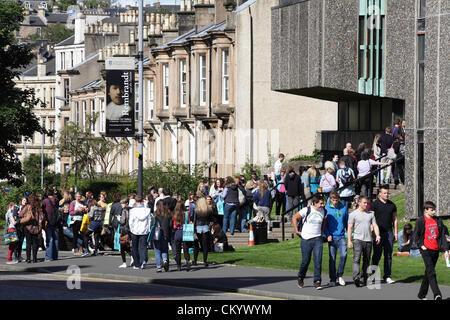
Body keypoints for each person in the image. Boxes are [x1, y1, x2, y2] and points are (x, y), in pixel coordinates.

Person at [414, 201, 449, 300]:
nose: (434, 212)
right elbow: (416, 236)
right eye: (432, 210)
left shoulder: (438, 220)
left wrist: (446, 250)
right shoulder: (420, 220)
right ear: (426, 210)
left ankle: (421, 294)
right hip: (426, 250)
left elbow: (442, 236)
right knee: (431, 272)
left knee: (428, 273)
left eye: (434, 210)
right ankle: (437, 295)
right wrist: (421, 245)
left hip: (435, 250)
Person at [293, 195, 327, 290]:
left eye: (323, 203)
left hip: (317, 239)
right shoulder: (306, 210)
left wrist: (322, 231)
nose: (322, 205)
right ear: (315, 203)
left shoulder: (324, 211)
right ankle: (300, 277)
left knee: (318, 260)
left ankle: (317, 281)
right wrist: (296, 230)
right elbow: (295, 218)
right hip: (306, 239)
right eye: (320, 203)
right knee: (305, 261)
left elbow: (324, 220)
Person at [347, 196, 381, 287]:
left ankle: (364, 277)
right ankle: (356, 277)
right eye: (364, 203)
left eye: (367, 203)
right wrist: (349, 240)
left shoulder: (370, 214)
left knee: (366, 260)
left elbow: (375, 225)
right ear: (359, 203)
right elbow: (350, 228)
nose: (366, 204)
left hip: (368, 240)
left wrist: (377, 236)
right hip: (358, 240)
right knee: (356, 259)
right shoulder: (353, 214)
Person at [370, 185, 398, 284]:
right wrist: (373, 231)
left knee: (388, 255)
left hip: (388, 232)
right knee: (377, 255)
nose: (387, 195)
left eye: (387, 193)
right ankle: (372, 275)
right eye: (385, 193)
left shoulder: (392, 205)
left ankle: (387, 276)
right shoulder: (374, 204)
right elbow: (371, 218)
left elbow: (395, 219)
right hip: (378, 233)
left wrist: (395, 233)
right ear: (380, 194)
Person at [324, 192, 349, 287]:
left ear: (339, 199)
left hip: (342, 236)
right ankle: (332, 279)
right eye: (333, 200)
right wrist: (327, 234)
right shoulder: (326, 209)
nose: (335, 202)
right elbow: (324, 224)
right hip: (332, 237)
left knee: (344, 255)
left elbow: (347, 222)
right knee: (332, 259)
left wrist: (349, 234)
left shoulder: (343, 208)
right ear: (330, 199)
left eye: (336, 200)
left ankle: (340, 275)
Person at [128, 196, 152, 269]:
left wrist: (131, 229)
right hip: (144, 230)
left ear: (135, 202)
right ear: (142, 201)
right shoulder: (147, 210)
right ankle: (143, 260)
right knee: (143, 246)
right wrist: (148, 229)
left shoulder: (132, 211)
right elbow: (149, 221)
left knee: (135, 247)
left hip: (135, 230)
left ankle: (137, 264)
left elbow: (130, 221)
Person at [20, 194, 45, 263]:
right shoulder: (39, 207)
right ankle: (34, 258)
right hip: (36, 227)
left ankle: (28, 259)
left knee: (28, 243)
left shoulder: (27, 206)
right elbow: (42, 217)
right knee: (35, 243)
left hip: (28, 226)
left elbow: (21, 214)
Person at [171, 201, 193, 271]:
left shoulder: (175, 214)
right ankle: (187, 261)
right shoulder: (187, 213)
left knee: (178, 250)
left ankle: (178, 265)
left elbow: (174, 226)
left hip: (178, 232)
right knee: (186, 249)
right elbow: (189, 221)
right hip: (185, 231)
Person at [153, 201, 172, 272]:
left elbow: (152, 224)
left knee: (157, 250)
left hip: (157, 233)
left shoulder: (155, 214)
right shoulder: (168, 213)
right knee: (164, 249)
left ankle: (159, 267)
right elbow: (170, 225)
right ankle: (165, 260)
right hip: (165, 233)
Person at [42, 189, 60, 261]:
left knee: (50, 239)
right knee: (55, 238)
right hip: (55, 221)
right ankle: (55, 256)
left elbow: (42, 209)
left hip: (48, 221)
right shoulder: (56, 200)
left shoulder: (45, 201)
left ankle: (49, 256)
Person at [118, 198, 133, 268]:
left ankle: (124, 263)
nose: (121, 205)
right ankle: (132, 256)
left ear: (126, 203)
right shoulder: (132, 209)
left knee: (122, 245)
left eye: (122, 203)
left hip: (124, 229)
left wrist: (119, 218)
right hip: (130, 229)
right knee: (126, 246)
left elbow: (122, 221)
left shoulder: (124, 210)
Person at [14, 197, 28, 262]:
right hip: (18, 227)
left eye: (26, 200)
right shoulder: (17, 207)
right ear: (21, 201)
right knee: (17, 242)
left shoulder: (27, 208)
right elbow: (14, 215)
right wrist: (18, 213)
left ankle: (19, 256)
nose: (25, 201)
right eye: (24, 200)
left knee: (21, 242)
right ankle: (16, 256)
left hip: (23, 226)